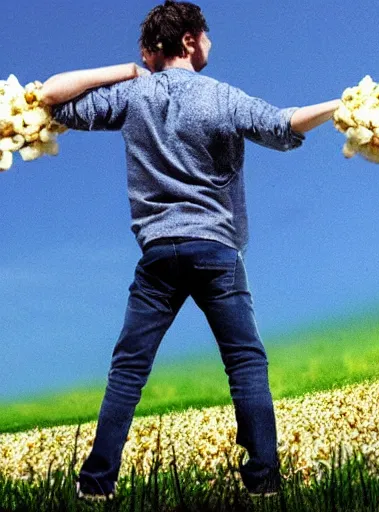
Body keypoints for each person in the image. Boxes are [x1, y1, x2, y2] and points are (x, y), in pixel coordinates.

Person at [41, 0, 342, 501]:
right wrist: (340, 104)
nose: (210, 43)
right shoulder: (220, 96)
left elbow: (51, 96)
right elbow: (283, 126)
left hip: (158, 254)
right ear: (188, 41)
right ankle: (264, 479)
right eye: (206, 35)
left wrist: (129, 71)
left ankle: (96, 483)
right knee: (244, 362)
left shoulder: (132, 96)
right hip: (216, 252)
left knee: (129, 368)